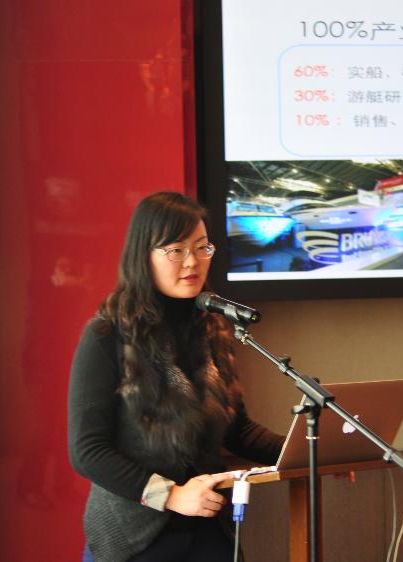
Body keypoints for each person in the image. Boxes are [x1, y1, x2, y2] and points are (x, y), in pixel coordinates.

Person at [68, 192, 283, 561]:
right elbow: (87, 451)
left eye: (201, 248)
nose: (192, 261)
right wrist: (170, 495)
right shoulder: (108, 334)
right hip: (134, 534)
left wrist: (313, 454)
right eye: (176, 250)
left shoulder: (212, 328)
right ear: (144, 255)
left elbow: (237, 429)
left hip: (207, 524)